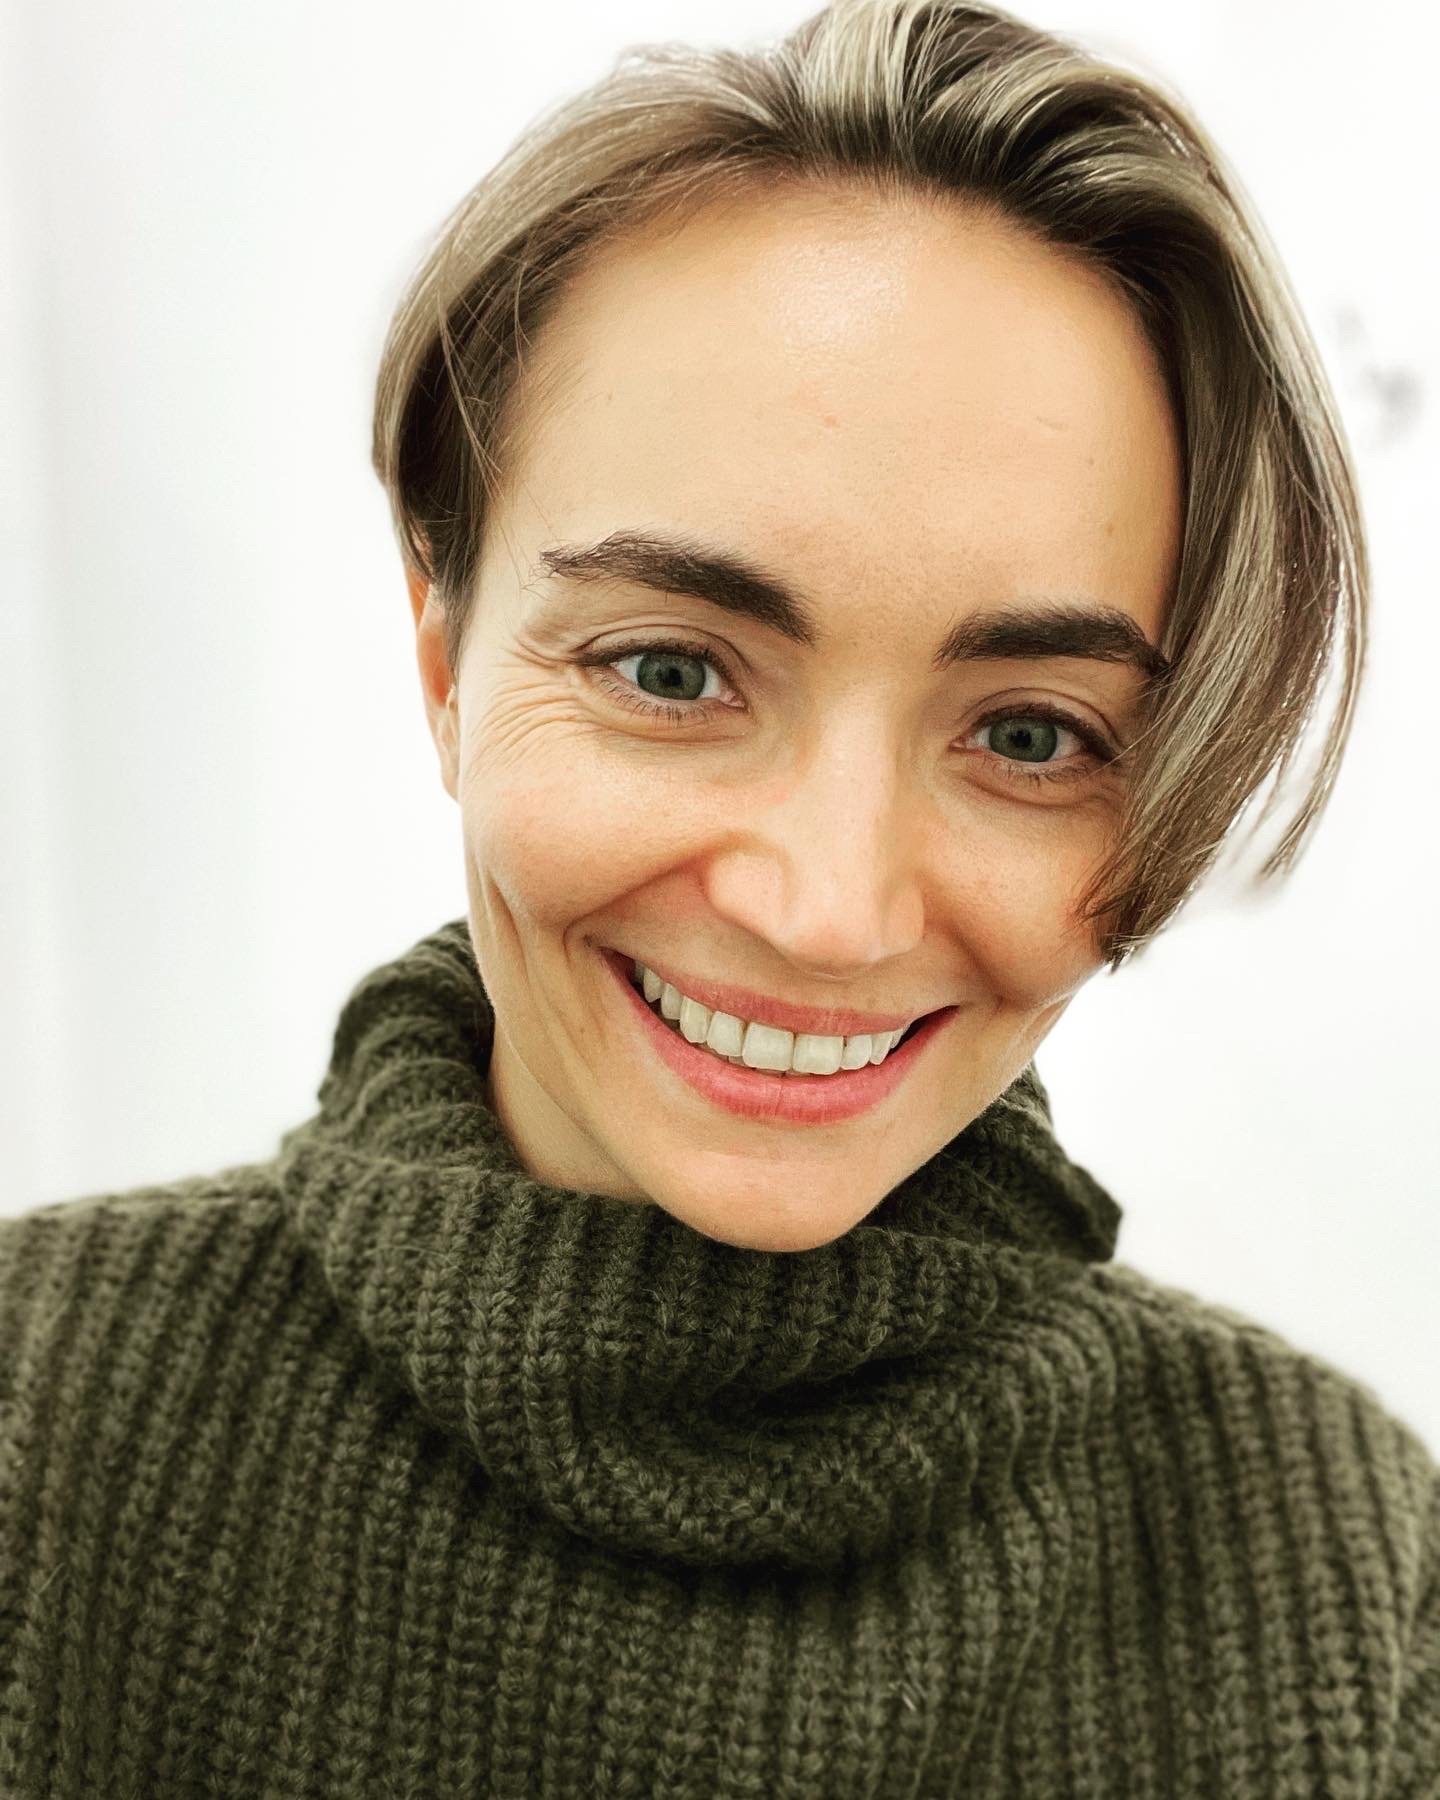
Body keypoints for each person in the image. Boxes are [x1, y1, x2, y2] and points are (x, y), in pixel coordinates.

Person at [2, 1, 1434, 1793]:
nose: (828, 909)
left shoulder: (1354, 1578)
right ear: (445, 654)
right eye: (675, 673)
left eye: (1030, 732)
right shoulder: (32, 1438)